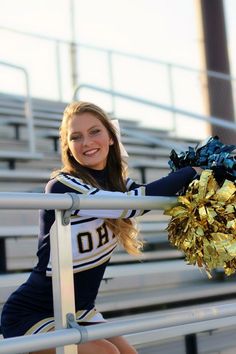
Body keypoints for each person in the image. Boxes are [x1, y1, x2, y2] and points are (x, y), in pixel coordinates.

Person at [1, 101, 202, 354]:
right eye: (76, 137)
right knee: (106, 352)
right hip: (32, 314)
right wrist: (190, 171)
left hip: (80, 309)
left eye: (95, 131)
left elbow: (151, 195)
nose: (86, 142)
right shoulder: (62, 186)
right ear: (68, 147)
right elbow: (130, 206)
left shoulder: (117, 184)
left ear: (110, 137)